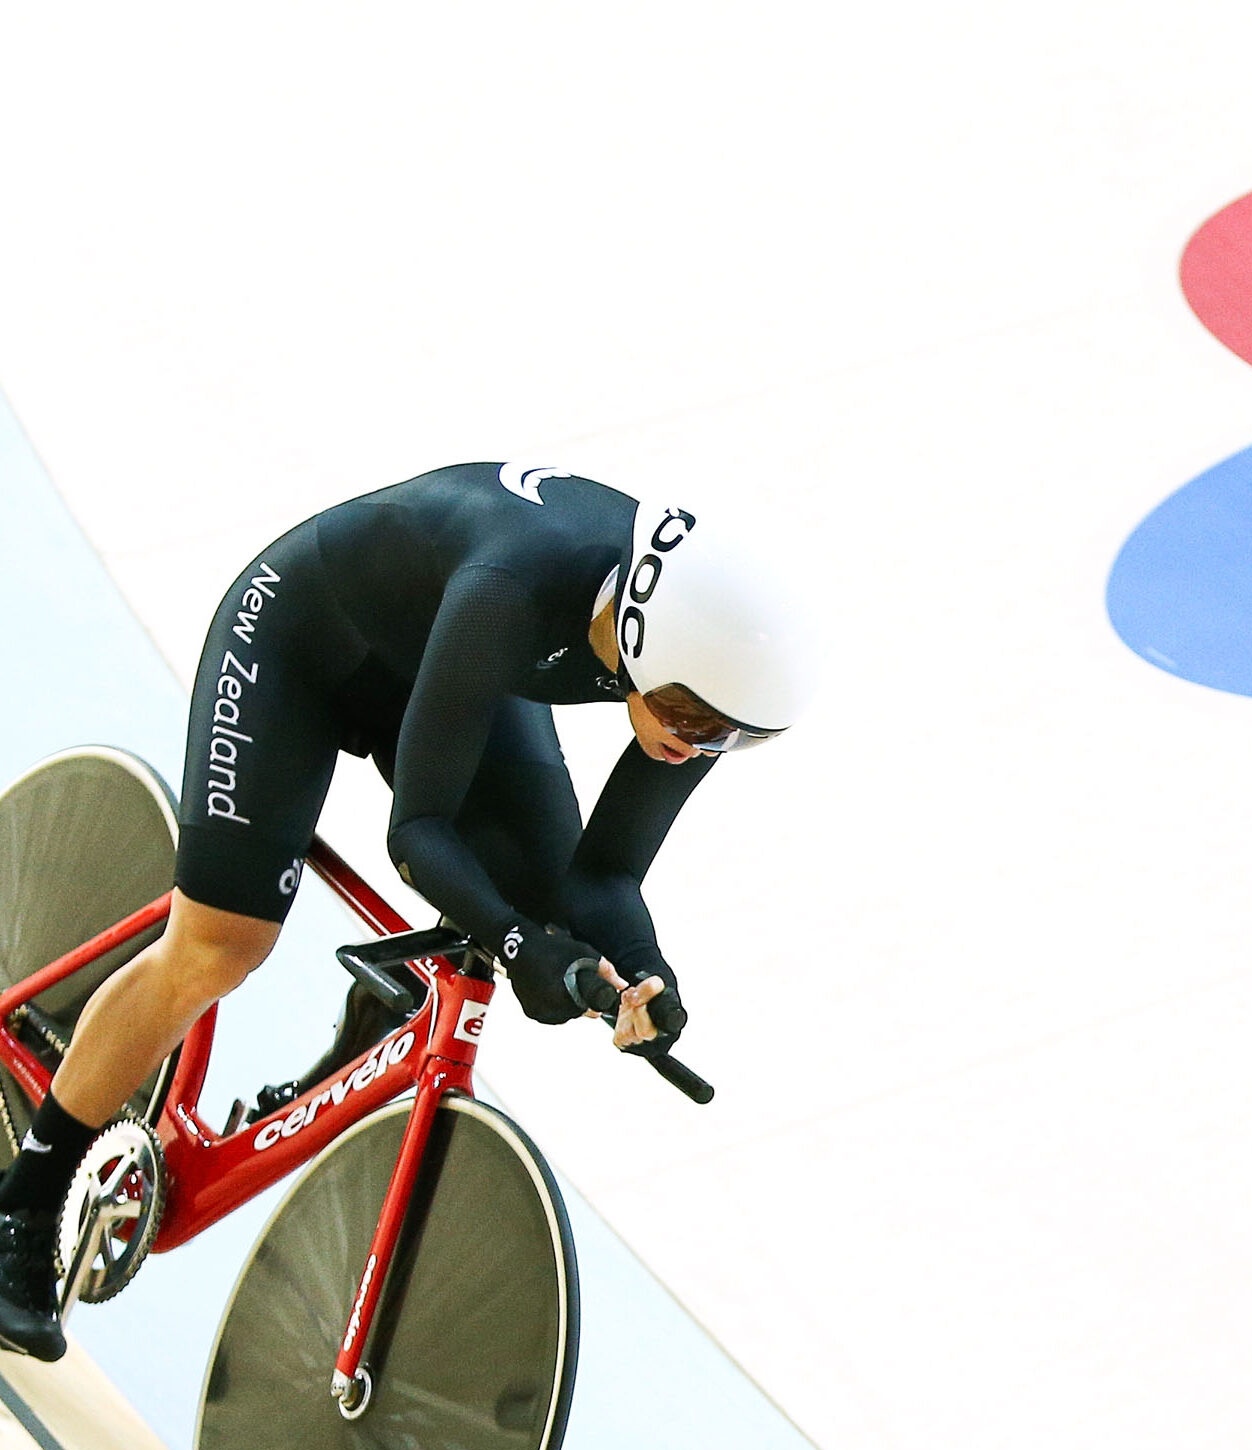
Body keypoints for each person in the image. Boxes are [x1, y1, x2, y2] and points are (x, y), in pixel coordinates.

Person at [0, 461, 809, 1362]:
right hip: (301, 642)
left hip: (446, 665)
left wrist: (642, 969)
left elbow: (604, 879)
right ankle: (24, 1205)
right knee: (221, 946)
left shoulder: (701, 680)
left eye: (736, 738)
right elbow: (416, 835)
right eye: (693, 720)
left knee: (548, 910)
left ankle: (368, 1022)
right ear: (639, 630)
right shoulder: (519, 585)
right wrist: (514, 943)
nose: (701, 745)